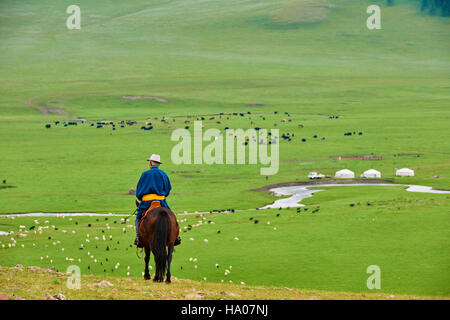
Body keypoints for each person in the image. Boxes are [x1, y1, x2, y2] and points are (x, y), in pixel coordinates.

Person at [134, 154, 181, 247]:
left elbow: (139, 192)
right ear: (158, 164)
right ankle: (176, 237)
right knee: (172, 217)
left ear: (150, 163)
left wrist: (142, 198)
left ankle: (138, 238)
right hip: (161, 202)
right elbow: (168, 189)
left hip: (146, 202)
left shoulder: (145, 174)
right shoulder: (163, 174)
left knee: (138, 218)